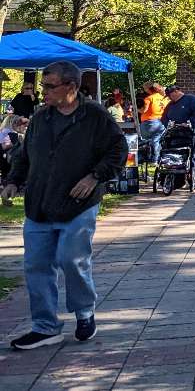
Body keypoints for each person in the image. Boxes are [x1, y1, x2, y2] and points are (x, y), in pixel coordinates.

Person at [5, 61, 126, 350]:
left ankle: (84, 313)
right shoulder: (40, 118)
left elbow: (118, 151)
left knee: (72, 260)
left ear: (71, 87)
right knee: (36, 265)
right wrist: (12, 180)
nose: (42, 91)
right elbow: (25, 154)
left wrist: (95, 176)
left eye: (50, 86)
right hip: (39, 205)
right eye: (43, 85)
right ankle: (46, 327)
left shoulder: (95, 116)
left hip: (77, 205)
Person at [162, 85, 195, 155]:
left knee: (192, 157)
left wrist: (189, 124)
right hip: (175, 135)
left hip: (191, 135)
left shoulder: (191, 99)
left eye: (170, 95)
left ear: (176, 91)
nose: (169, 98)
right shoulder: (170, 104)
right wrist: (168, 125)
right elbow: (164, 118)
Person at [139, 82, 168, 163]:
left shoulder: (149, 98)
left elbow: (144, 110)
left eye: (145, 89)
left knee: (146, 141)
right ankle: (156, 160)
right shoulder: (164, 98)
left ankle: (147, 159)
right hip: (160, 122)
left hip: (148, 123)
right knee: (156, 141)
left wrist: (136, 109)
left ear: (149, 89)